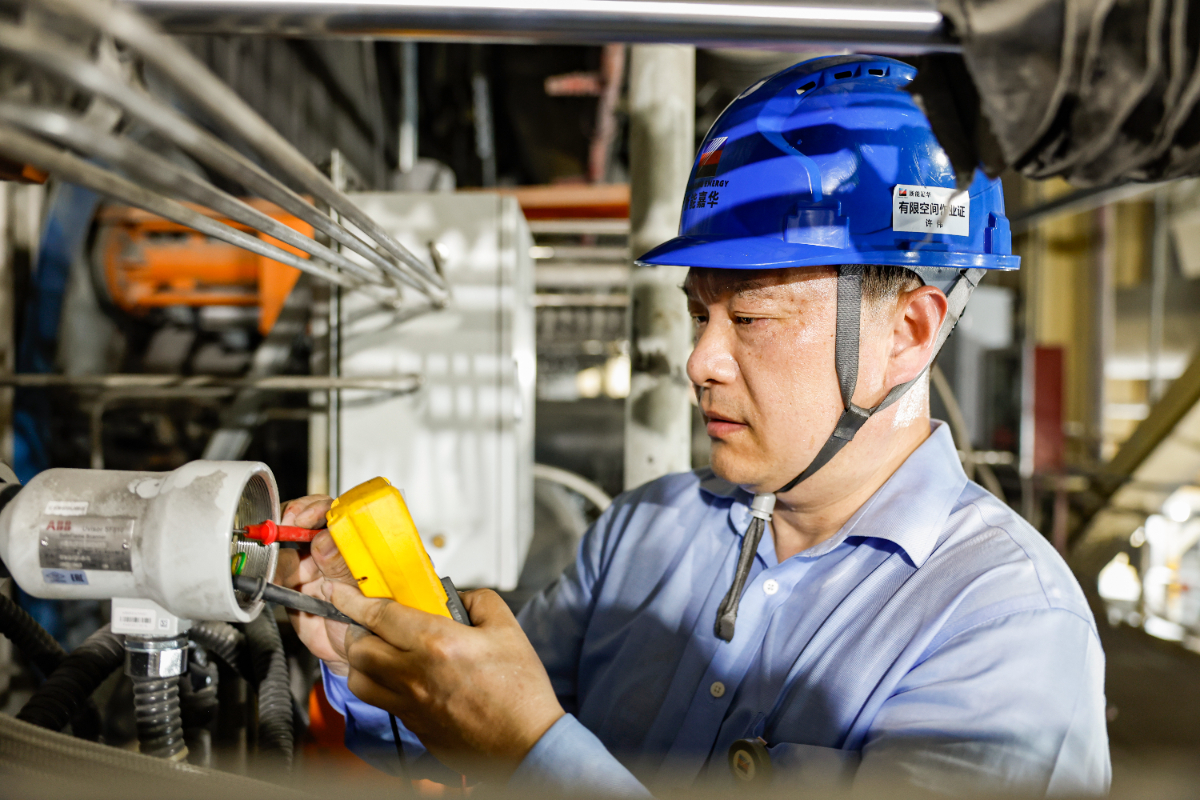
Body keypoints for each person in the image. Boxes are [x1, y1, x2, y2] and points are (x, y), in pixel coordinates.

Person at [277, 54, 1110, 796]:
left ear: (908, 333)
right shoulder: (643, 532)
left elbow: (512, 732)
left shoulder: (1005, 626)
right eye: (699, 315)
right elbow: (466, 730)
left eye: (749, 318)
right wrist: (374, 638)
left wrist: (531, 749)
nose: (700, 360)